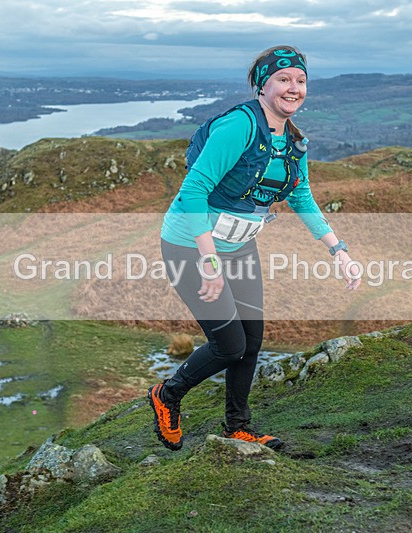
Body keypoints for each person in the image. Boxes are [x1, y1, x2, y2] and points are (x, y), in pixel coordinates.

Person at [148, 45, 361, 451]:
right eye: (283, 79)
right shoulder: (239, 126)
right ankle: (167, 395)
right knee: (228, 345)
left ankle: (238, 426)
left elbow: (301, 196)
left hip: (240, 246)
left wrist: (339, 251)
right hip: (190, 247)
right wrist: (209, 261)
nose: (294, 87)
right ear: (262, 86)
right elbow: (193, 191)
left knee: (251, 340)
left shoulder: (294, 140)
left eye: (300, 80)